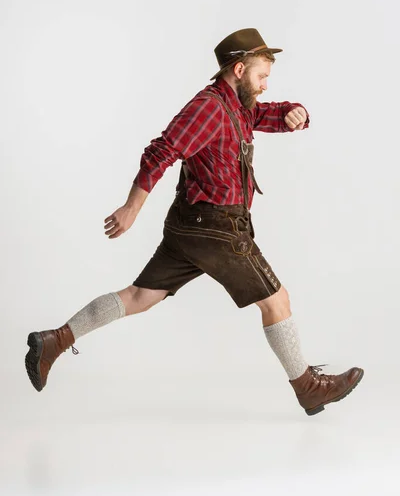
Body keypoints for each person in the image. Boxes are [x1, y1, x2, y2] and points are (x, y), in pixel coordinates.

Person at [25, 28, 364, 416]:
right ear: (238, 69)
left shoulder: (235, 104)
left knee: (140, 296)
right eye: (261, 76)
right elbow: (163, 150)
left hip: (189, 226)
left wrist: (294, 114)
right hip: (216, 227)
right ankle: (308, 389)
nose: (266, 85)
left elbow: (263, 114)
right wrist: (132, 207)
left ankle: (54, 340)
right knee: (277, 301)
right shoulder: (209, 108)